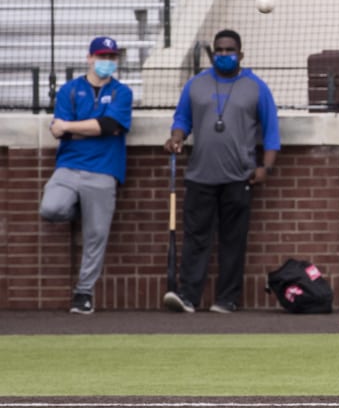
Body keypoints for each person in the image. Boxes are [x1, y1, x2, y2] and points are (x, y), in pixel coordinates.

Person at [162, 29, 280, 314]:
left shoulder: (256, 87)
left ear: (241, 54)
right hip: (200, 175)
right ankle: (188, 296)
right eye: (219, 51)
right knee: (196, 239)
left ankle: (227, 299)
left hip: (239, 177)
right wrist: (176, 137)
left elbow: (272, 131)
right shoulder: (195, 84)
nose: (224, 55)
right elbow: (182, 119)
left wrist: (266, 167)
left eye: (229, 51)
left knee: (233, 241)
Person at [40, 36, 133, 315]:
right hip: (68, 166)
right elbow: (59, 129)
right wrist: (82, 128)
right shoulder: (70, 90)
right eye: (102, 56)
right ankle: (77, 209)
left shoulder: (122, 92)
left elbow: (111, 126)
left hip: (104, 170)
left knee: (96, 234)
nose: (107, 61)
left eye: (112, 57)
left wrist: (72, 127)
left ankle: (84, 292)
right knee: (51, 208)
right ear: (89, 58)